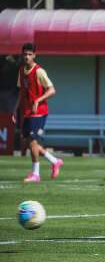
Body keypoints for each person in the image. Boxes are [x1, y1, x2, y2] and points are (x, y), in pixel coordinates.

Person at [12, 43, 63, 183]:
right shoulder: (21, 71)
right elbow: (21, 93)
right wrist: (15, 110)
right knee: (30, 144)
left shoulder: (39, 71)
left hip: (39, 113)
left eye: (30, 54)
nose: (27, 57)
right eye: (25, 54)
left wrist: (38, 100)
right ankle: (55, 161)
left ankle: (36, 174)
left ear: (34, 55)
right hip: (26, 113)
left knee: (33, 141)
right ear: (22, 55)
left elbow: (52, 90)